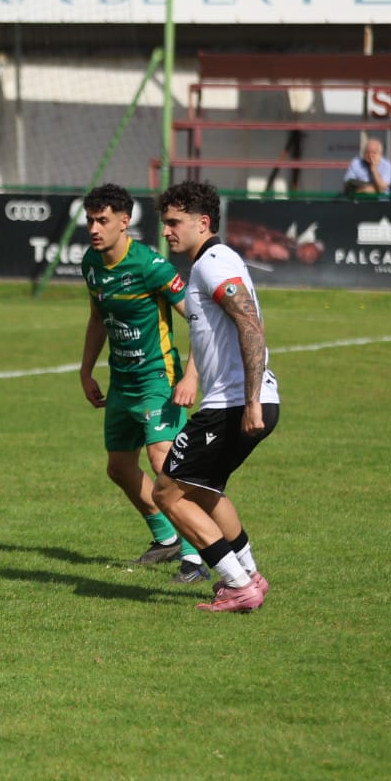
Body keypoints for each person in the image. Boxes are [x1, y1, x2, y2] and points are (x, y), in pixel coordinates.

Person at [153, 181, 281, 613]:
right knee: (205, 490)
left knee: (167, 494)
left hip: (234, 403)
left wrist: (251, 401)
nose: (167, 231)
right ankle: (251, 576)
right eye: (164, 223)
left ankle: (237, 584)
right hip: (237, 400)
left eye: (175, 222)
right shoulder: (210, 264)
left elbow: (249, 324)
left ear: (202, 223)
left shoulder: (213, 262)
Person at [77, 184, 208, 584]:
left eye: (103, 221)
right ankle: (165, 537)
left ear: (124, 222)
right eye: (90, 221)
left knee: (163, 462)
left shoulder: (151, 266)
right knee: (118, 468)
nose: (95, 229)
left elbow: (201, 320)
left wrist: (190, 376)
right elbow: (98, 318)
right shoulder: (92, 263)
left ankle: (193, 558)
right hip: (122, 382)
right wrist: (85, 370)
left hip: (158, 380)